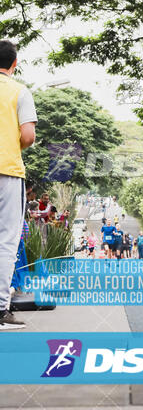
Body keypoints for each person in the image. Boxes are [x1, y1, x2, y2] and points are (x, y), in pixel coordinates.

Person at [0, 40, 37, 329]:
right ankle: (1, 310)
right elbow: (28, 136)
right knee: (6, 241)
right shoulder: (19, 91)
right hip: (7, 171)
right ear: (14, 63)